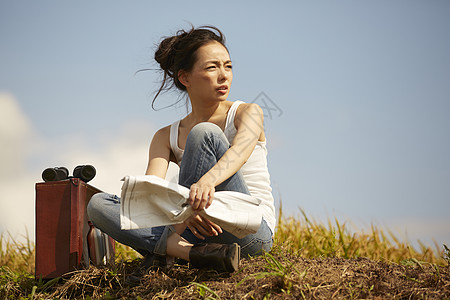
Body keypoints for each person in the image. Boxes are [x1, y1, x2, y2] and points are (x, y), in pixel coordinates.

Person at [87, 25, 276, 276]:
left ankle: (166, 250)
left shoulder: (247, 112)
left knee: (204, 133)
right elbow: (149, 195)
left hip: (249, 232)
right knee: (98, 205)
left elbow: (239, 152)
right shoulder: (165, 136)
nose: (224, 76)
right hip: (194, 235)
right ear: (184, 77)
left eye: (228, 66)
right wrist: (182, 212)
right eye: (212, 67)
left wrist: (206, 183)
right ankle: (194, 255)